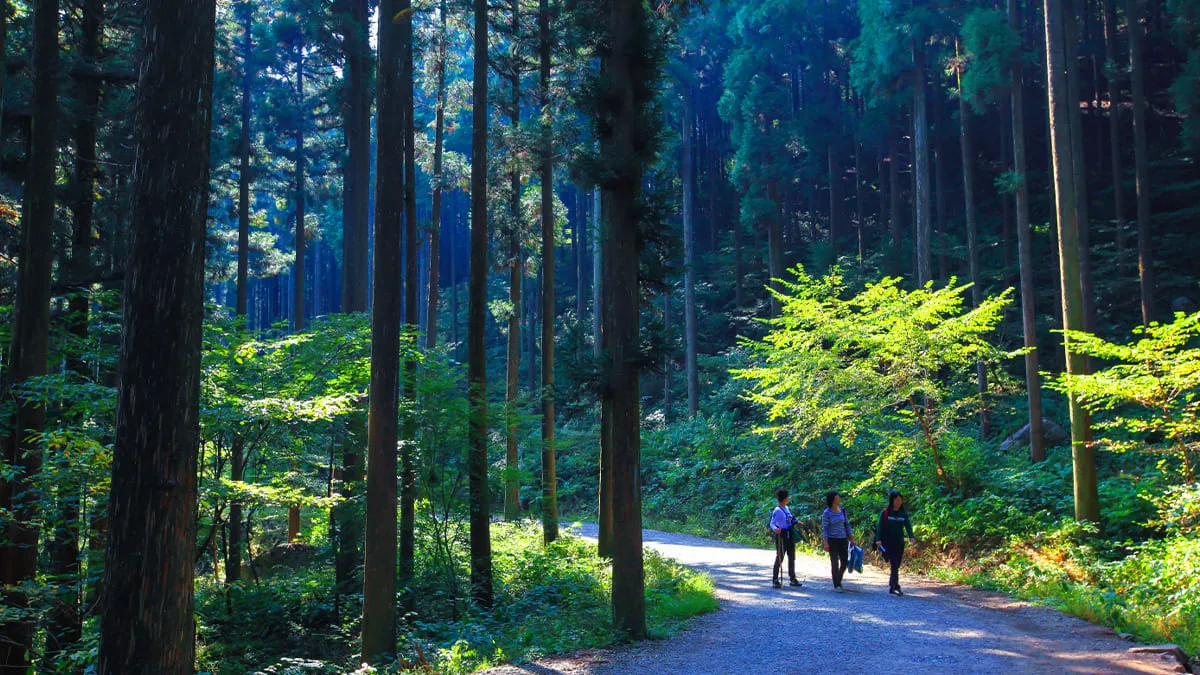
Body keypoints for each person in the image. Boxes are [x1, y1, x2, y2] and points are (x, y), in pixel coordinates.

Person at [874, 491, 916, 596]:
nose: (899, 502)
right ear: (892, 500)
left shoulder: (903, 513)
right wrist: (878, 539)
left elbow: (908, 526)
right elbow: (880, 526)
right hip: (888, 543)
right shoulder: (886, 513)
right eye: (897, 500)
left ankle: (892, 584)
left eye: (900, 500)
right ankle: (895, 586)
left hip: (900, 543)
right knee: (894, 563)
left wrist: (911, 536)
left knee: (897, 564)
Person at [821, 491, 854, 591]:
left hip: (843, 539)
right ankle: (836, 584)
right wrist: (825, 542)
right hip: (832, 540)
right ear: (832, 500)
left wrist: (851, 538)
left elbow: (847, 525)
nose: (839, 499)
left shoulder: (842, 511)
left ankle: (838, 580)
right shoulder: (827, 513)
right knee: (834, 562)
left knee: (844, 561)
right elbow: (825, 528)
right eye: (837, 498)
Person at [770, 488, 802, 588]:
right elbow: (772, 523)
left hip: (789, 534)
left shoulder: (786, 508)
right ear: (784, 498)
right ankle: (775, 579)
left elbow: (790, 518)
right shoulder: (777, 510)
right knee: (780, 557)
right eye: (787, 496)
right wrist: (775, 529)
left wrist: (797, 522)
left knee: (791, 556)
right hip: (781, 535)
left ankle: (792, 578)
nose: (789, 498)